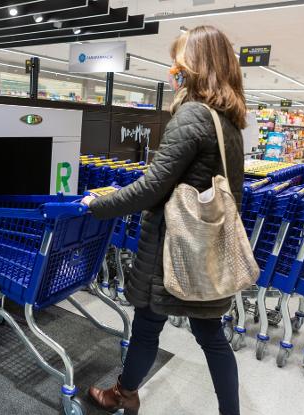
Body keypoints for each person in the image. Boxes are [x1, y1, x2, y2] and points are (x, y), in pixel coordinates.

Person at [82, 25, 246, 415]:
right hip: (205, 249)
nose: (173, 71)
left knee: (147, 326)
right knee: (211, 336)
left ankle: (123, 394)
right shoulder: (229, 123)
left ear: (195, 67)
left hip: (172, 247)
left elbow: (149, 189)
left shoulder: (192, 116)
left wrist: (95, 204)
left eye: (178, 62)